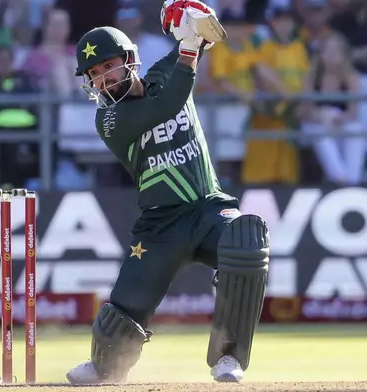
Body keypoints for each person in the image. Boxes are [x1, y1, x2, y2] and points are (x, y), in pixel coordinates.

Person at [66, 0, 270, 385]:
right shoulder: (109, 119)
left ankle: (228, 357)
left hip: (208, 209)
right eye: (94, 74)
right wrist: (189, 48)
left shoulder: (165, 71)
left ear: (130, 59)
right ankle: (105, 366)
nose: (103, 79)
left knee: (246, 238)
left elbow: (207, 33)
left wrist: (187, 19)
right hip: (160, 227)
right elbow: (168, 103)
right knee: (122, 316)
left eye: (108, 66)